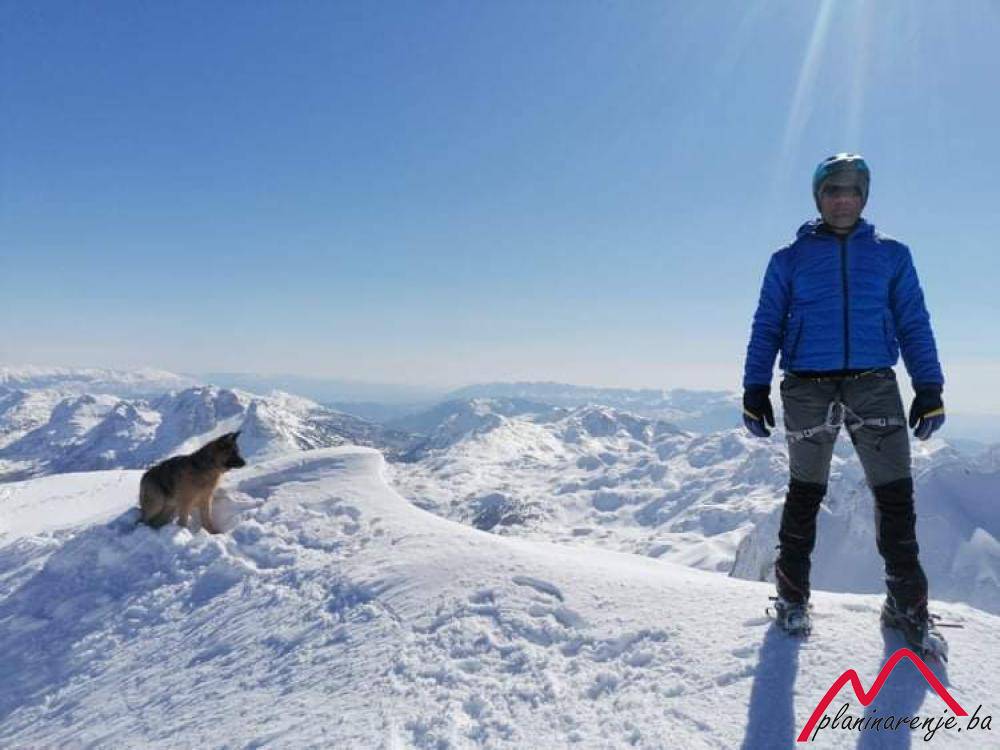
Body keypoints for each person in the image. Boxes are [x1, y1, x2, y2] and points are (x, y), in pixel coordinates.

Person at [740, 153, 947, 657]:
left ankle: (906, 605)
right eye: (833, 191)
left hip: (874, 382)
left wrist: (929, 386)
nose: (842, 200)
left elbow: (913, 321)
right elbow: (767, 324)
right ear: (819, 197)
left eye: (852, 190)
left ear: (864, 196)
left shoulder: (892, 255)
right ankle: (792, 599)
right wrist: (754, 386)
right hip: (806, 386)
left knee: (895, 496)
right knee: (805, 494)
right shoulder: (788, 259)